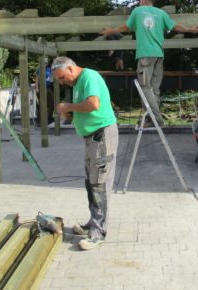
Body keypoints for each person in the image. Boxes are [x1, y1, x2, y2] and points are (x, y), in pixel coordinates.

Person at [101, 0, 198, 126]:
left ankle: (157, 119)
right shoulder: (161, 13)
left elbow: (126, 27)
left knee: (145, 88)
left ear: (144, 0)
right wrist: (190, 30)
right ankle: (150, 119)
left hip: (145, 56)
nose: (139, 2)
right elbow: (176, 27)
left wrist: (110, 31)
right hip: (158, 56)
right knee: (154, 89)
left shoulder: (138, 11)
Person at [52, 56, 118, 251]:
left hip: (101, 136)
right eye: (60, 80)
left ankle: (98, 233)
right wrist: (70, 113)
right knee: (91, 183)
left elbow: (93, 104)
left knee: (99, 185)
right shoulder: (79, 82)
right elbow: (85, 109)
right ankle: (93, 223)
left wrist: (68, 107)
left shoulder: (89, 76)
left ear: (71, 69)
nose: (63, 82)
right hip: (93, 138)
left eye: (63, 77)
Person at [35, 58, 54, 126]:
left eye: (46, 62)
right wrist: (37, 88)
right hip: (41, 88)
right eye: (44, 62)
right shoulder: (39, 69)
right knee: (42, 104)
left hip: (48, 88)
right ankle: (40, 120)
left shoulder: (49, 69)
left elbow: (52, 78)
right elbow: (37, 79)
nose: (45, 64)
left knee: (52, 103)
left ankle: (49, 117)